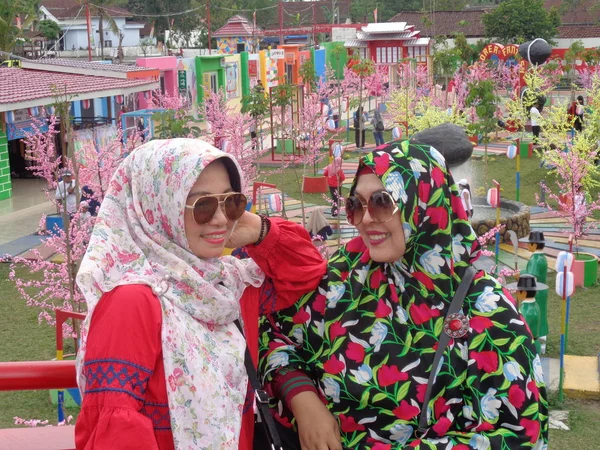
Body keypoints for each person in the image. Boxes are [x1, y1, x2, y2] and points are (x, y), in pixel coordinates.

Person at [259, 142, 548, 449]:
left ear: (423, 203)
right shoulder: (347, 278)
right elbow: (275, 335)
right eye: (357, 204)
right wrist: (303, 399)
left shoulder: (488, 313)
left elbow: (518, 436)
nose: (367, 218)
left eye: (382, 202)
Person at [75, 138, 326, 450]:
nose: (221, 219)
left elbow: (307, 272)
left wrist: (259, 230)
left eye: (231, 202)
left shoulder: (226, 287)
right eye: (203, 205)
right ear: (158, 208)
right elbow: (114, 431)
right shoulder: (132, 302)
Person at [520, 231, 549, 354]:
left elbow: (532, 278)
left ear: (534, 245)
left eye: (529, 244)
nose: (527, 246)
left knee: (535, 315)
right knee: (541, 313)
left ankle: (538, 336)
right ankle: (542, 336)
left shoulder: (535, 259)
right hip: (542, 290)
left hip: (536, 291)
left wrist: (520, 276)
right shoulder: (542, 258)